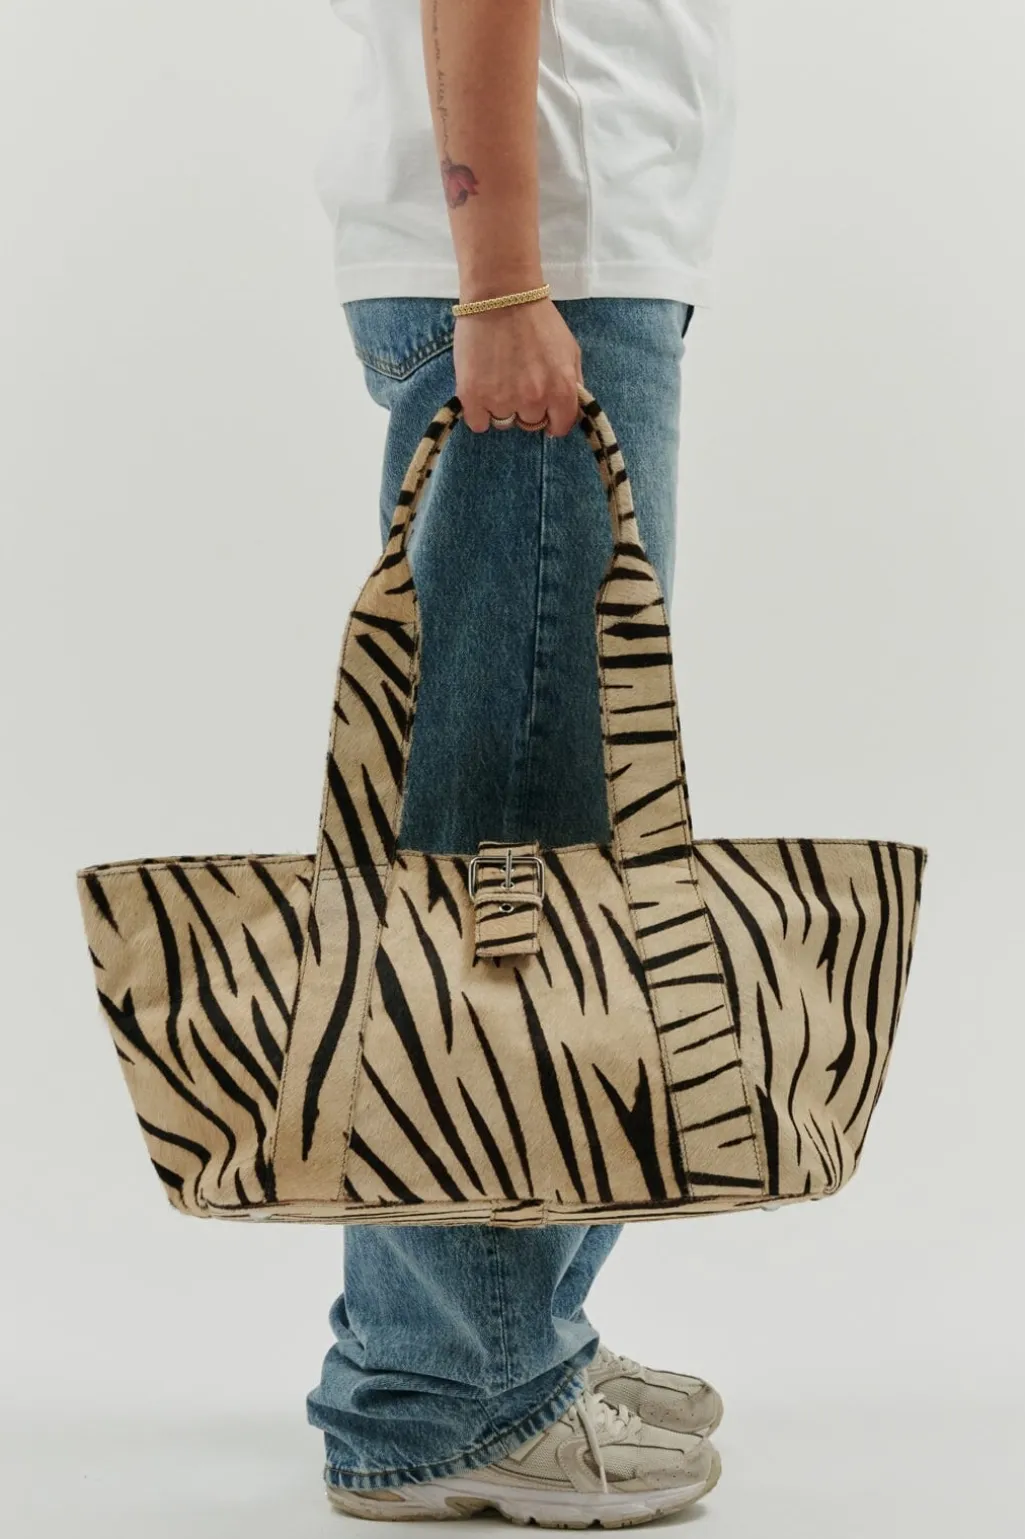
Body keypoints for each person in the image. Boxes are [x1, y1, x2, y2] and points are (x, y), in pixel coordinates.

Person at [307, 1, 737, 1525]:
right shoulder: (522, 273)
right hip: (536, 261)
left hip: (554, 253)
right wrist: (502, 275)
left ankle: (492, 1335)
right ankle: (454, 1387)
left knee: (531, 838)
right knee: (514, 848)